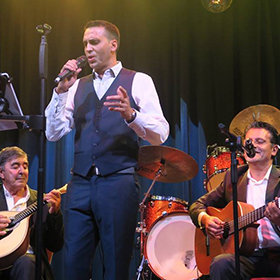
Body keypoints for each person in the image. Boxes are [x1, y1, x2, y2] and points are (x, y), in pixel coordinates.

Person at [45, 19, 169, 280]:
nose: (88, 49)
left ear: (113, 45)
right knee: (74, 266)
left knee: (115, 266)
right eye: (85, 44)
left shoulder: (138, 81)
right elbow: (52, 133)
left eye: (94, 42)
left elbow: (160, 133)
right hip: (80, 185)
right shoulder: (77, 85)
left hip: (118, 183)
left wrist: (132, 115)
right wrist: (59, 92)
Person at [189, 121, 280, 280]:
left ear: (274, 150)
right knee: (220, 263)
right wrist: (206, 219)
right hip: (247, 257)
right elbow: (197, 205)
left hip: (277, 254)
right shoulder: (235, 178)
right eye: (249, 142)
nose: (253, 146)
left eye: (260, 141)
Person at [0, 146, 64, 280]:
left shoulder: (41, 201)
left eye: (25, 166)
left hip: (29, 267)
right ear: (1, 172)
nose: (22, 171)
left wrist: (54, 214)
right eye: (15, 166)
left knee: (26, 263)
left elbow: (55, 245)